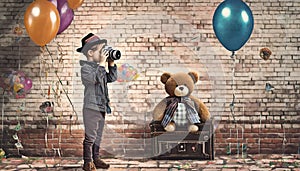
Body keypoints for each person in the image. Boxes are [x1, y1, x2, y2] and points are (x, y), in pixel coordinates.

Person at [77, 33, 117, 171]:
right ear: (90, 52)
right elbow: (94, 79)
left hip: (101, 106)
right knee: (90, 136)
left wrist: (111, 63)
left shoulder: (99, 69)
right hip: (91, 107)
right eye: (101, 51)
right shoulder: (86, 69)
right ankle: (87, 162)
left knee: (98, 135)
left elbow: (111, 78)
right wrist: (101, 64)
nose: (103, 54)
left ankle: (96, 158)